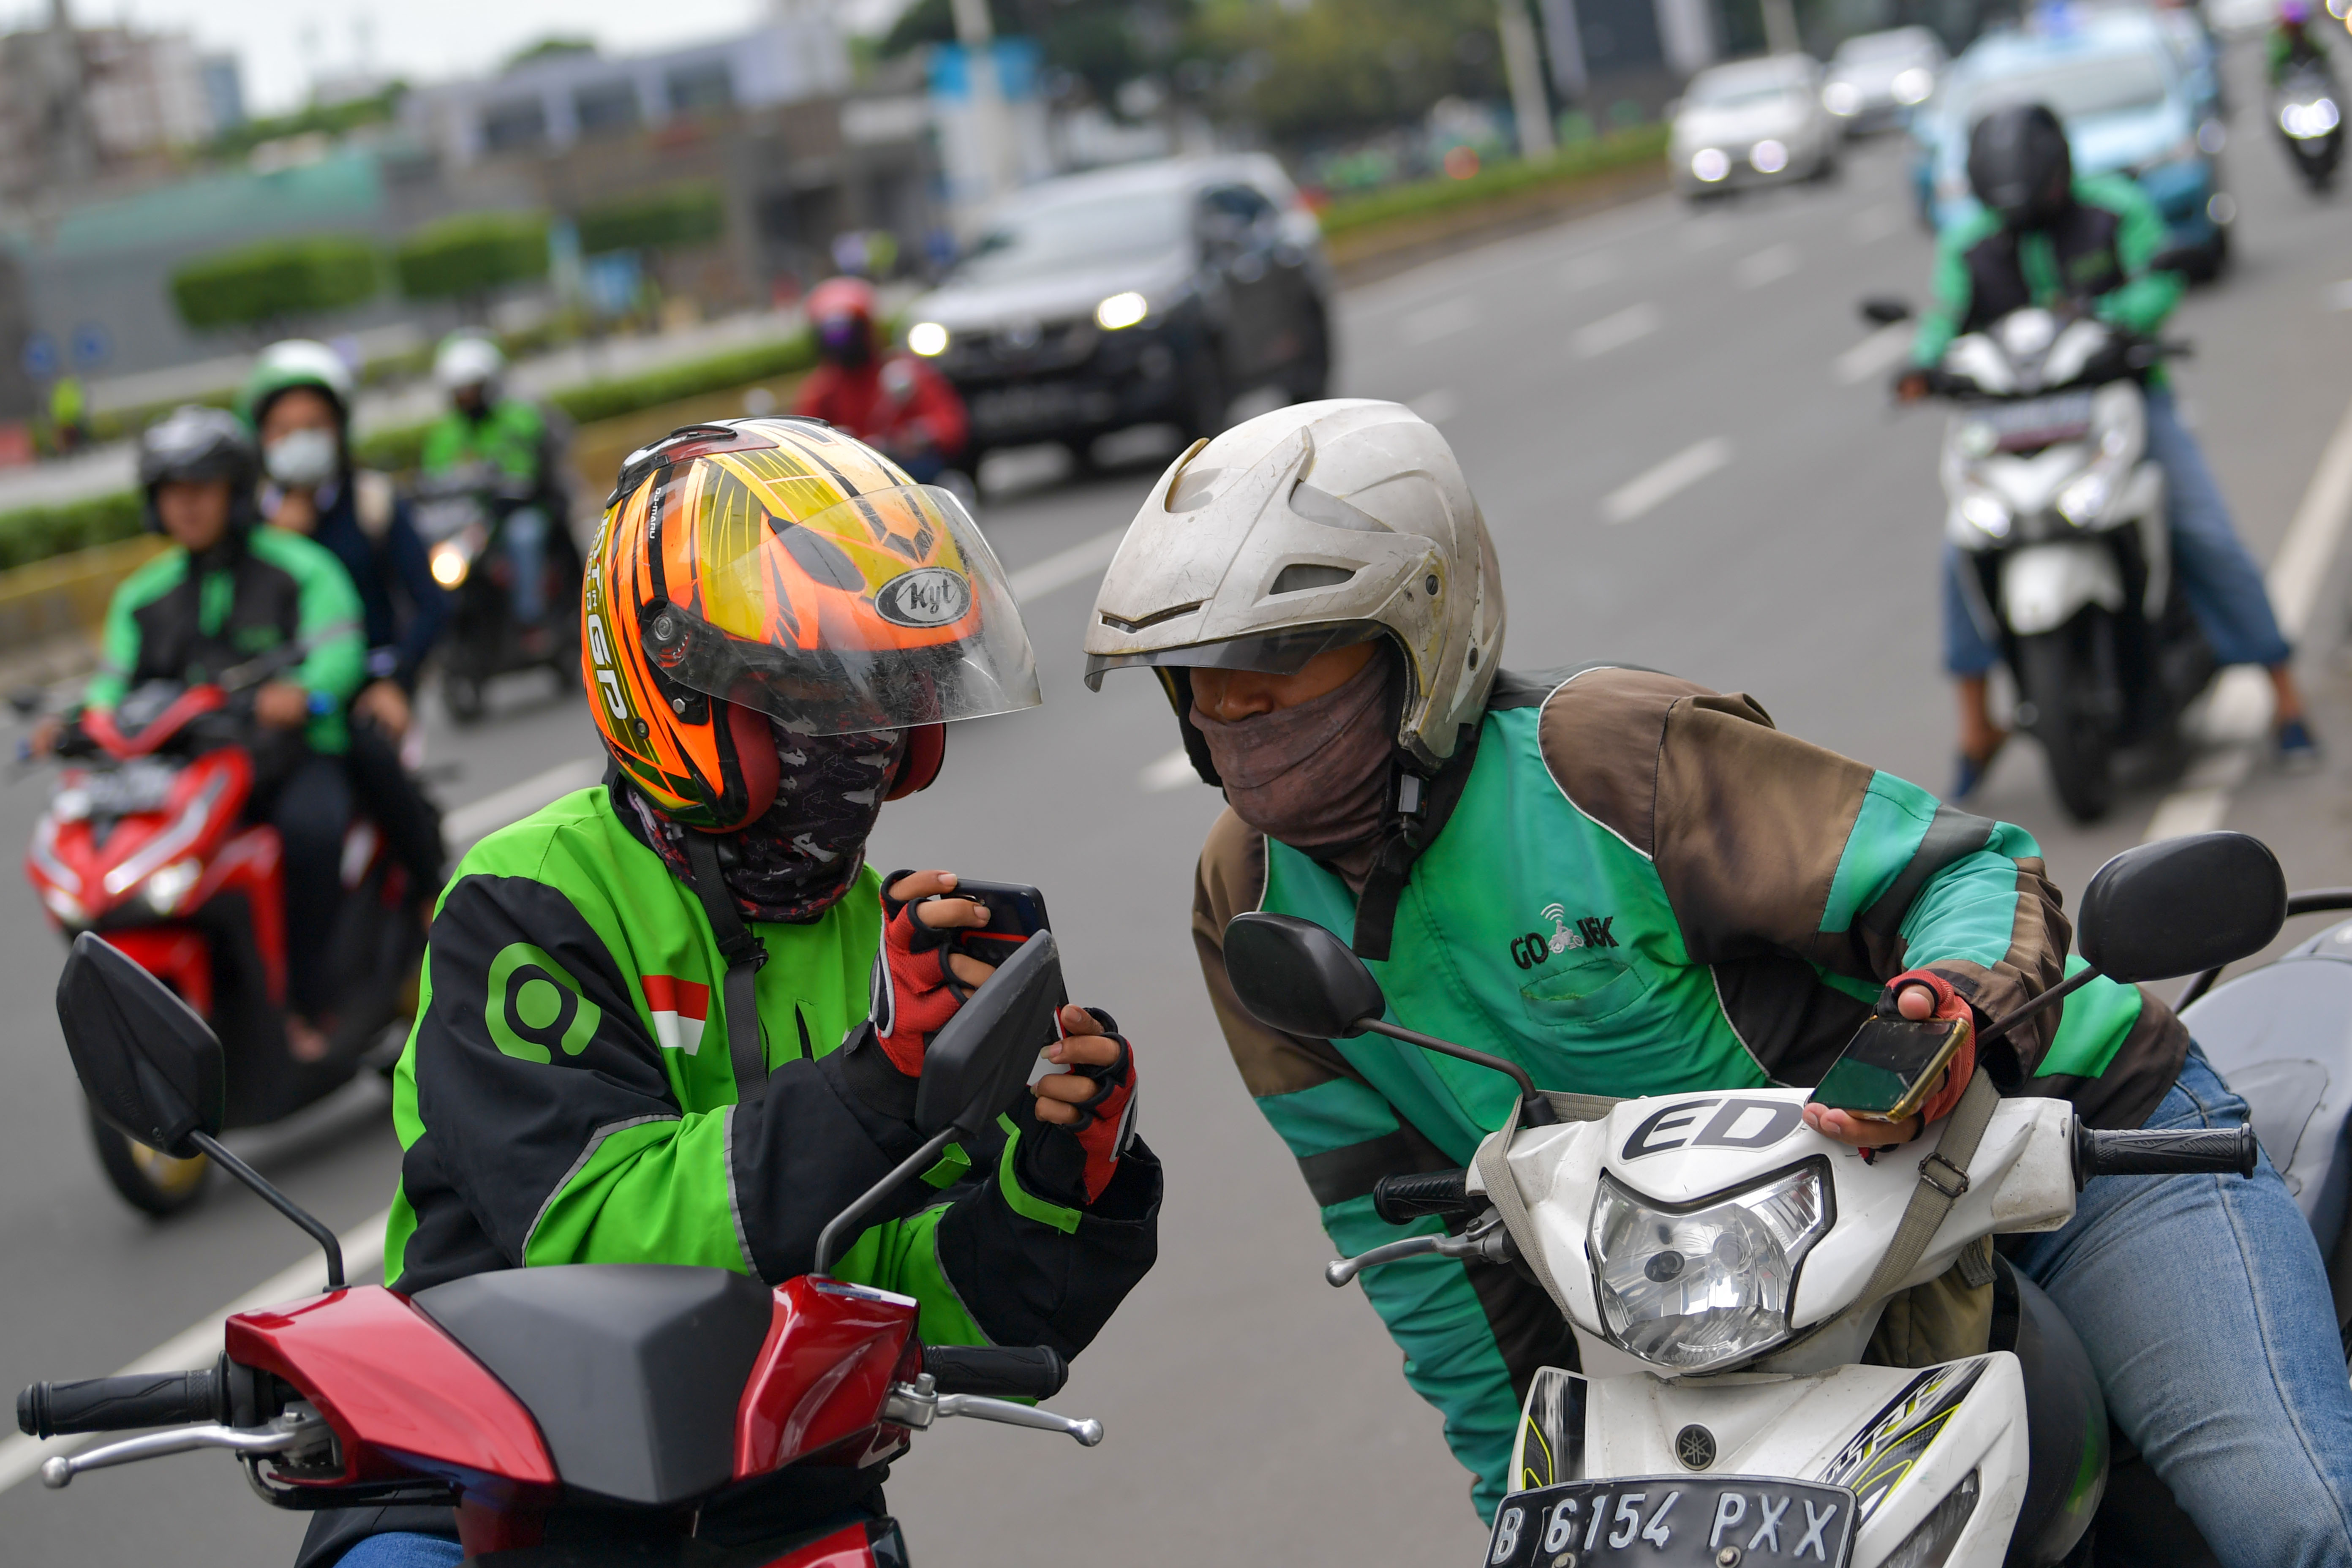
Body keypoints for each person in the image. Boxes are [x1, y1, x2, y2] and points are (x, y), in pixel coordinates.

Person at [1084, 399, 2352, 1559]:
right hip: (1768, 1295)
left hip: (2062, 1150)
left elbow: (1972, 873)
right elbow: (1406, 1231)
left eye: (1282, 666)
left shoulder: (1607, 763)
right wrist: (1514, 1506)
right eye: (1201, 683)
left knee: (2279, 1520)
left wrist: (1950, 1011)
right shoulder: (1240, 898)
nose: (1235, 714)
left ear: (1417, 635)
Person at [310, 418, 1160, 1568]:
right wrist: (878, 1085)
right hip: (489, 1482)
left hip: (776, 1495)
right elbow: (592, 1238)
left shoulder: (883, 937)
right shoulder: (523, 904)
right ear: (674, 692)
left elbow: (896, 1299)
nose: (863, 743)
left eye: (886, 697)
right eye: (815, 699)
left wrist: (1057, 1191)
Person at [1897, 103, 2318, 796]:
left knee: (2201, 530)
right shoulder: (1968, 243)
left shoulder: (2114, 211)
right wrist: (1921, 365)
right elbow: (1942, 319)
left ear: (2061, 176)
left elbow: (2157, 279)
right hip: (2009, 424)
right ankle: (1975, 725)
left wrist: (2118, 321)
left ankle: (2284, 694)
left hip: (2121, 403)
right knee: (1960, 551)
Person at [76, 406, 365, 1060]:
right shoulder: (141, 597)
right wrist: (79, 725)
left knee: (311, 834)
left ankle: (313, 998)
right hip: (191, 780)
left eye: (201, 488)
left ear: (236, 492)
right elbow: (109, 689)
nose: (186, 505)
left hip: (292, 759)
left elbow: (340, 653)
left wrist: (308, 693)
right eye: (171, 491)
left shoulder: (300, 567)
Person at [241, 340, 450, 901]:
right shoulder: (249, 529)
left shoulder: (372, 503)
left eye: (314, 425)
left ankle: (435, 902)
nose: (298, 440)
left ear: (339, 429)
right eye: (283, 429)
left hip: (366, 692)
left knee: (376, 764)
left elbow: (429, 605)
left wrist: (397, 684)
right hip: (273, 703)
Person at [419, 332, 566, 645]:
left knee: (524, 536)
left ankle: (531, 618)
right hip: (471, 522)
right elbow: (432, 479)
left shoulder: (518, 419)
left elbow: (527, 469)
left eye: (472, 389)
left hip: (519, 512)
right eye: (460, 392)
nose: (467, 398)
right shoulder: (444, 435)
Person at [792, 277, 969, 485]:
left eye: (848, 332)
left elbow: (951, 423)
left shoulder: (902, 372)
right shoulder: (824, 389)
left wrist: (920, 436)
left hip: (908, 476)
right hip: (856, 482)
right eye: (832, 336)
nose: (841, 343)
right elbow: (800, 442)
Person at [2270, 0, 2333, 83]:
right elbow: (2276, 76)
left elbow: (2325, 65)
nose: (2296, 30)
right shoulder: (2281, 51)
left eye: (2298, 26)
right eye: (2292, 27)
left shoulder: (2312, 46)